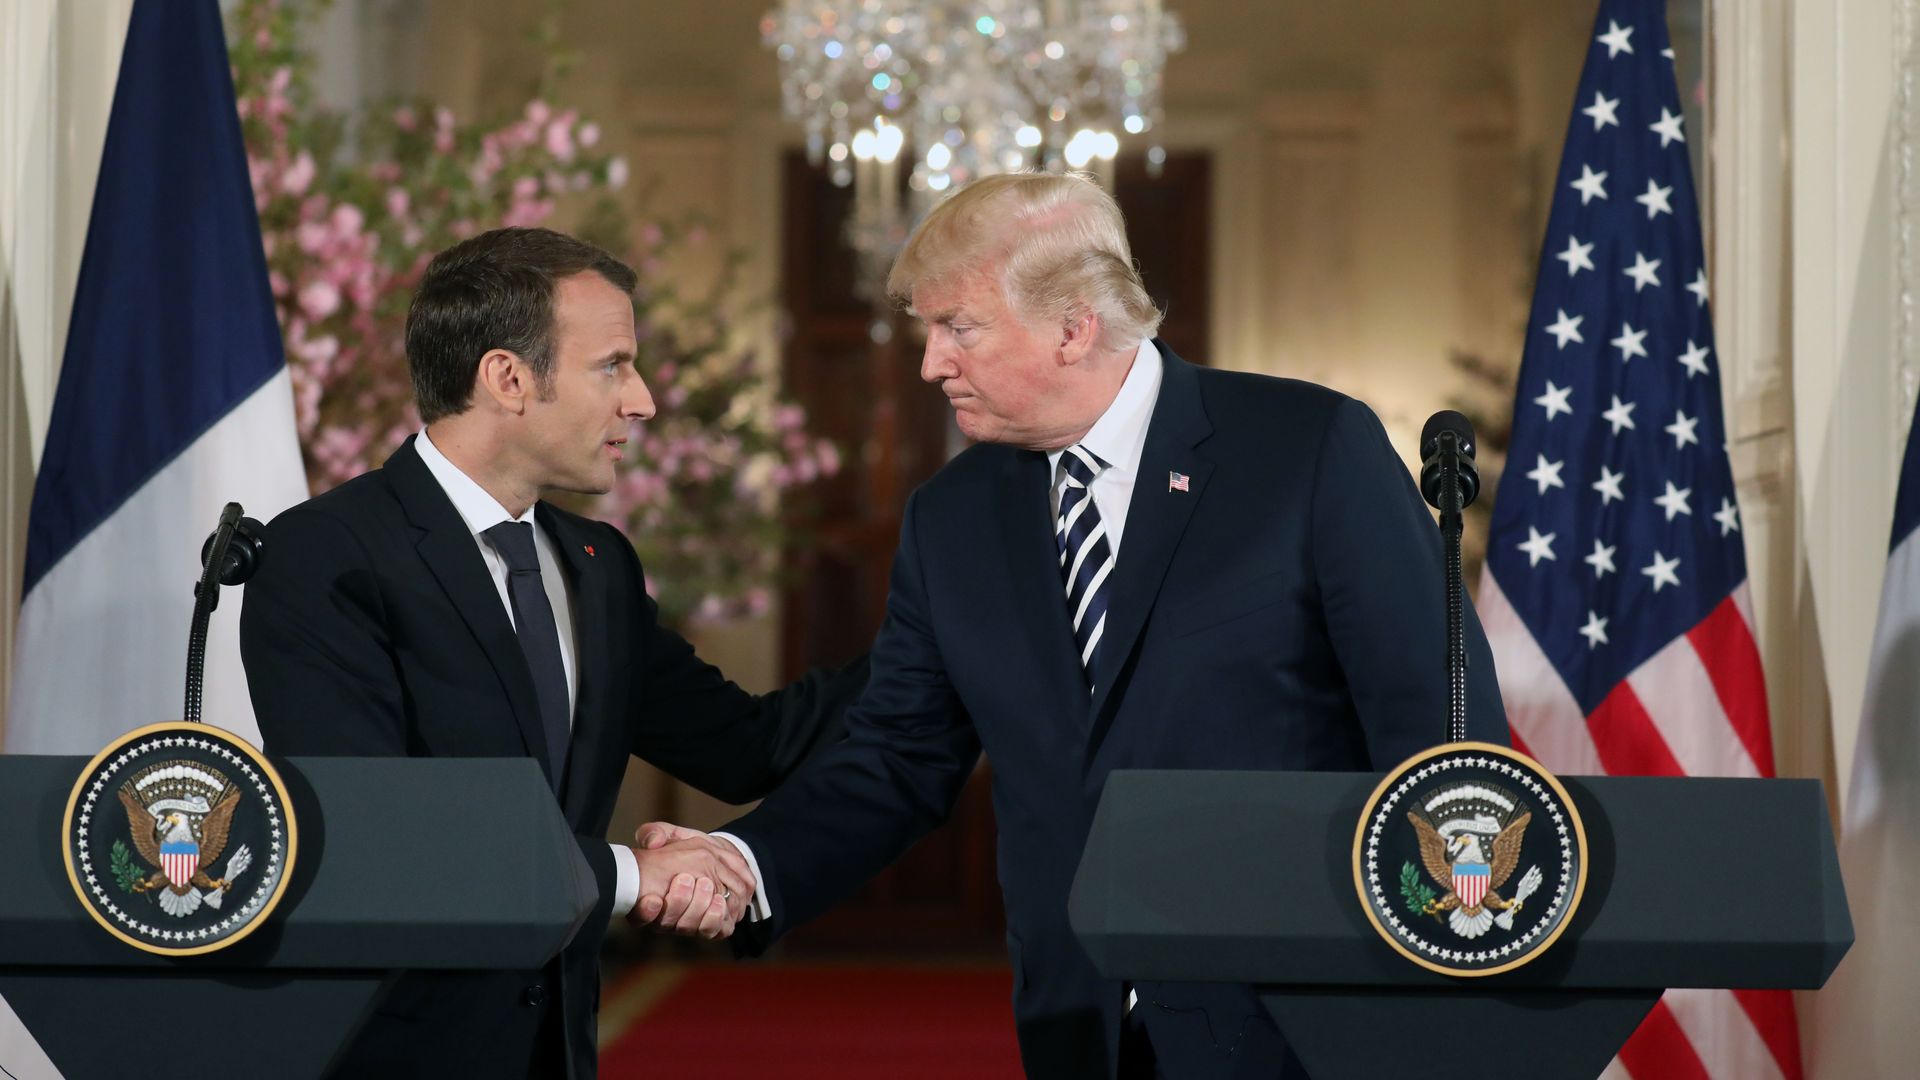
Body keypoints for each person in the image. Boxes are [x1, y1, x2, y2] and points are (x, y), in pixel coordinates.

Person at [644, 172, 1509, 1079]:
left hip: (1306, 1013)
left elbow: (1436, 727)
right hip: (1078, 1018)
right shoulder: (952, 517)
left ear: (1073, 325)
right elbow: (897, 756)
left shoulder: (1308, 449)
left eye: (958, 328)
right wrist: (745, 860)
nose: (933, 362)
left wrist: (1441, 983)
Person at [240, 226, 865, 1079]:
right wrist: (633, 877)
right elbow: (373, 835)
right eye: (613, 364)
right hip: (388, 1054)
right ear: (508, 378)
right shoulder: (327, 555)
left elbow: (749, 745)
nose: (641, 399)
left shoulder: (597, 567)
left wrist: (940, 647)